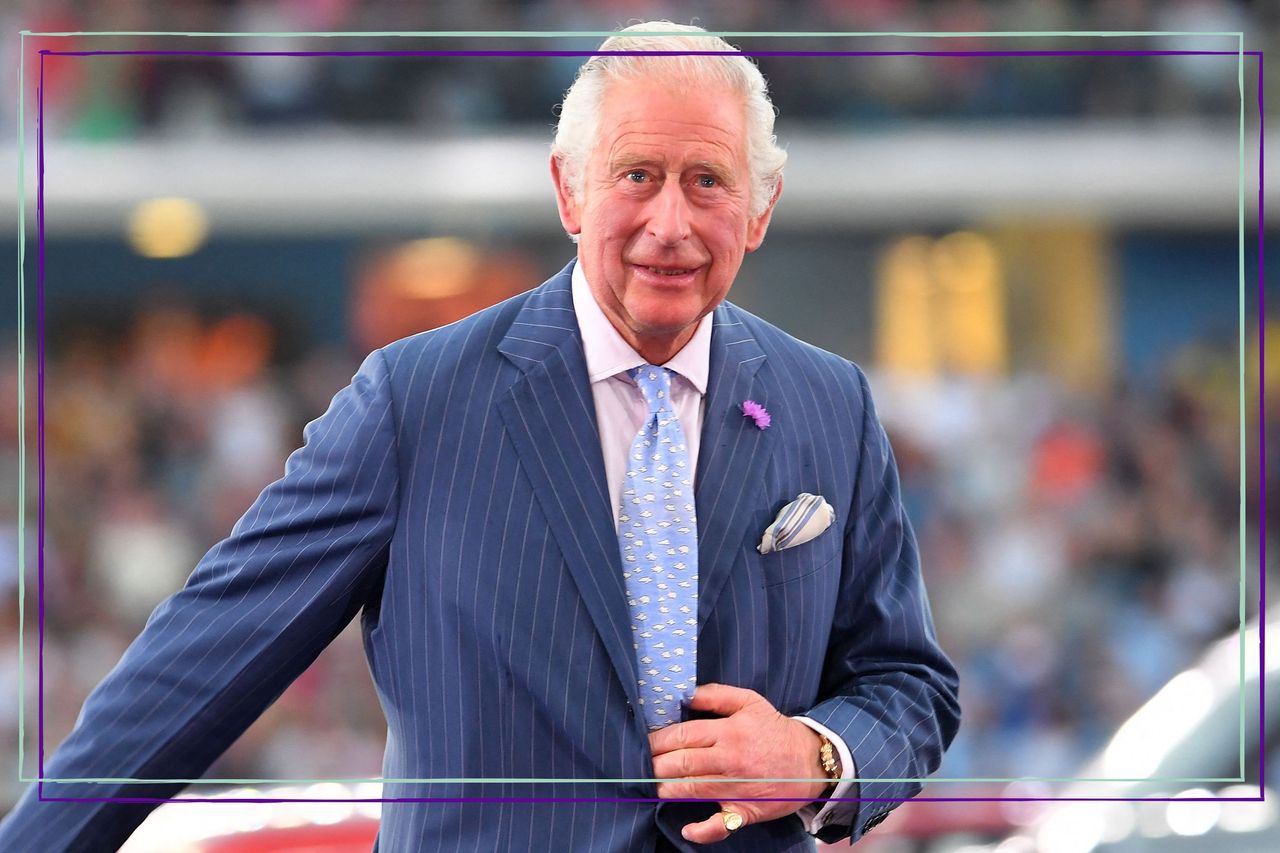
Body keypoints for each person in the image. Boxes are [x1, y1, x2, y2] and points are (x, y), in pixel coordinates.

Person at [1, 22, 959, 852]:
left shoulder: (829, 402)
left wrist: (817, 756)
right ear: (570, 191)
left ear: (759, 211)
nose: (671, 221)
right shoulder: (415, 401)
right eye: (638, 175)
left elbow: (907, 682)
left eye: (708, 180)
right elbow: (200, 660)